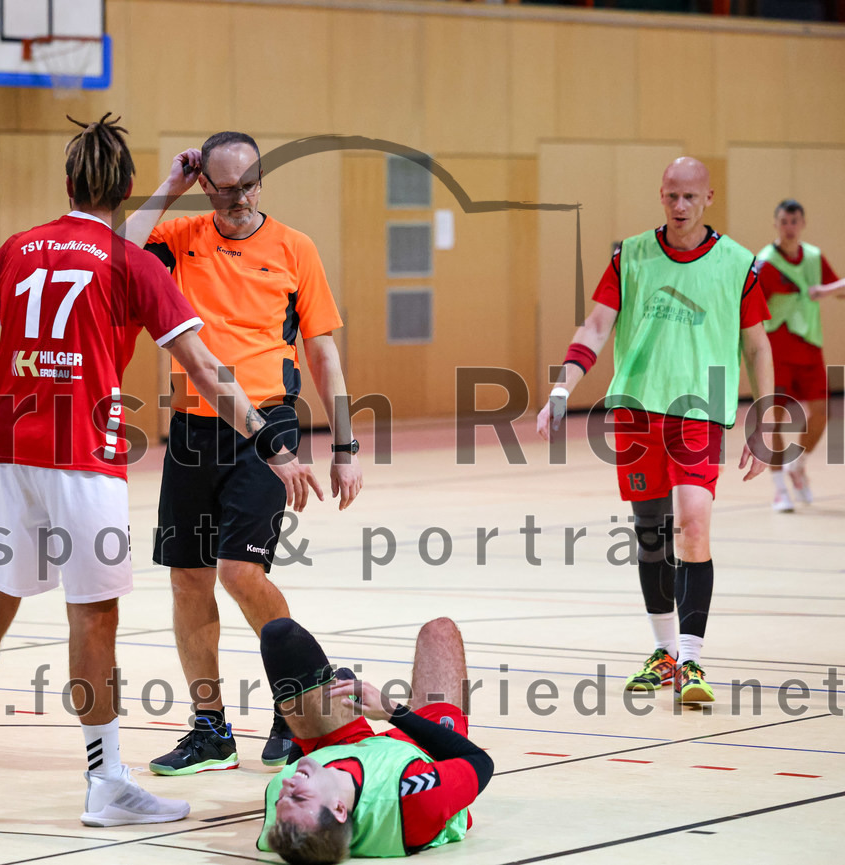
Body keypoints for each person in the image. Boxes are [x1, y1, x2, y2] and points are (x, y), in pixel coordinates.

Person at [0, 114, 319, 826]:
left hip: (10, 454)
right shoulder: (130, 264)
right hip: (82, 459)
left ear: (69, 182)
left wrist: (13, 383)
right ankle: (105, 785)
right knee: (93, 615)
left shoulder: (19, 248)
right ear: (127, 188)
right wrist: (270, 441)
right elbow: (208, 373)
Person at [121, 132, 363, 774]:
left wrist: (344, 443)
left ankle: (298, 708)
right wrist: (168, 188)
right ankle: (210, 729)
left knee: (239, 571)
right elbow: (116, 253)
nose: (238, 199)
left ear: (263, 179)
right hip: (194, 429)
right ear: (207, 184)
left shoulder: (294, 248)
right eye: (225, 188)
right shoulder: (180, 237)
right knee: (188, 577)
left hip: (269, 427)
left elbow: (323, 352)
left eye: (249, 184)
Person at [537, 157, 774, 704]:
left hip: (698, 412)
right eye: (671, 196)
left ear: (709, 197)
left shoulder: (738, 264)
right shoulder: (632, 255)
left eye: (690, 197)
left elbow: (758, 345)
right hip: (637, 410)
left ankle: (691, 659)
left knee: (694, 524)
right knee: (652, 536)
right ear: (661, 195)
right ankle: (664, 651)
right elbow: (596, 325)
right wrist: (561, 388)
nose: (680, 206)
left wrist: (764, 417)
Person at [254, 617, 492, 863]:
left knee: (279, 636)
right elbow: (480, 762)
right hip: (421, 751)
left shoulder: (283, 802)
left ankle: (333, 703)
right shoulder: (412, 794)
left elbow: (293, 782)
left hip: (341, 752)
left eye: (283, 799)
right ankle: (338, 700)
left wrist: (301, 734)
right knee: (439, 631)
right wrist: (391, 711)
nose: (287, 788)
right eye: (299, 797)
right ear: (338, 808)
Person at [755, 199, 845, 512]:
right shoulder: (765, 263)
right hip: (776, 352)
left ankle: (798, 464)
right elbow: (750, 309)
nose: (789, 227)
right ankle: (779, 488)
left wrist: (829, 289)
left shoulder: (814, 257)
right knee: (774, 422)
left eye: (794, 222)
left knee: (822, 414)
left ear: (802, 223)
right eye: (784, 222)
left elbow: (840, 290)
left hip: (809, 347)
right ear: (775, 223)